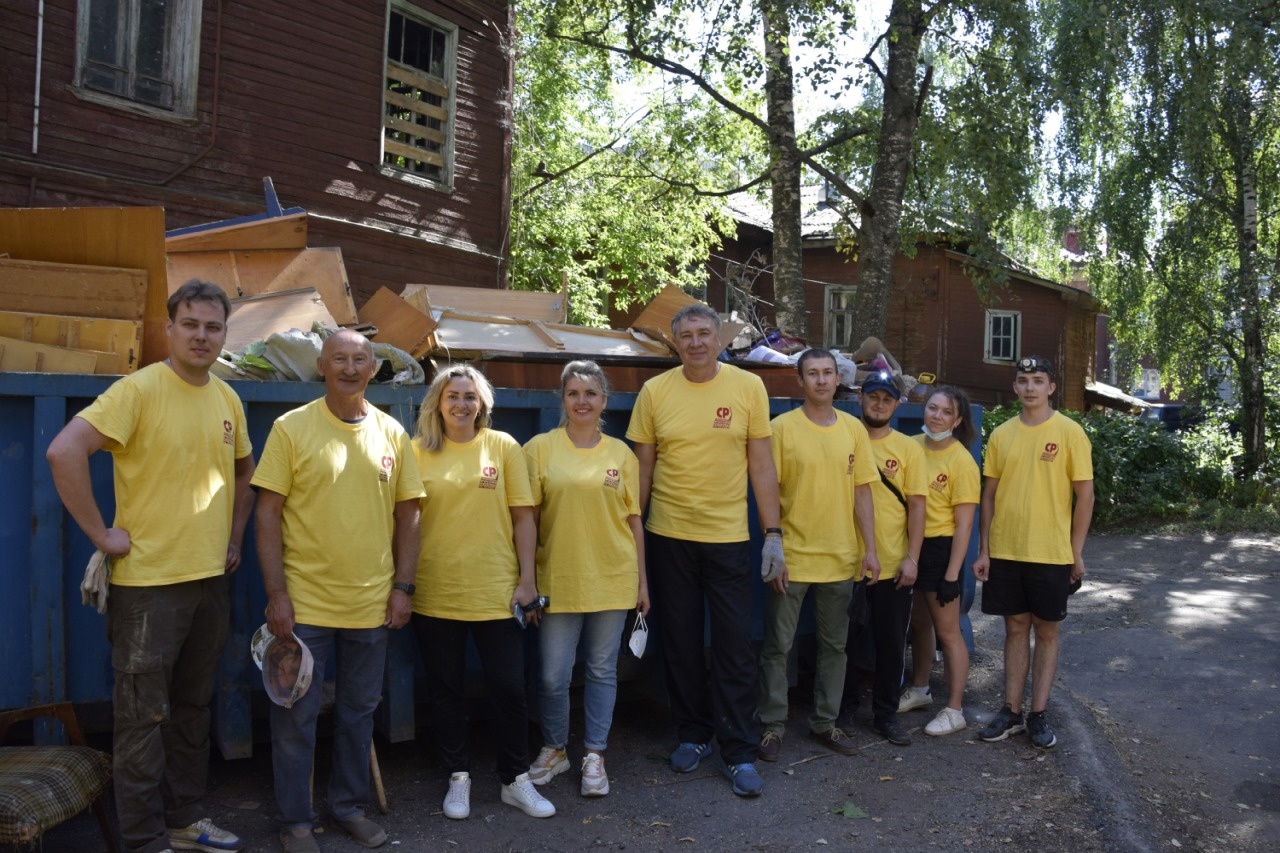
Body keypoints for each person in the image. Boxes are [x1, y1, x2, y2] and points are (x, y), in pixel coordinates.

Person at [46, 280, 254, 853]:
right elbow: (63, 452)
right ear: (170, 328)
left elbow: (243, 472)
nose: (202, 336)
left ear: (224, 335)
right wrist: (101, 534)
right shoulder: (137, 391)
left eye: (213, 327)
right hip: (148, 591)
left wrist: (233, 537)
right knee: (143, 721)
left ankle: (184, 821)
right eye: (191, 324)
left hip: (209, 580)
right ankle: (143, 841)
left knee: (193, 712)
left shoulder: (227, 399)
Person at [253, 329, 423, 853]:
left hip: (372, 604)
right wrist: (277, 595)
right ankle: (295, 822)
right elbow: (266, 514)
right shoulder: (292, 428)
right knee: (295, 716)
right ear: (321, 366)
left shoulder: (394, 433)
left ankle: (347, 807)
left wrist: (402, 588)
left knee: (358, 712)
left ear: (375, 369)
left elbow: (409, 514)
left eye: (360, 360)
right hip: (304, 606)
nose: (350, 368)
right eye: (339, 359)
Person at [625, 303, 784, 798]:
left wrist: (773, 533)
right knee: (682, 644)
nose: (695, 342)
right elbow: (642, 471)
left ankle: (738, 751)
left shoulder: (747, 387)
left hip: (729, 539)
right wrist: (632, 538)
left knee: (736, 647)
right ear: (675, 343)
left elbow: (761, 465)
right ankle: (693, 735)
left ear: (720, 339)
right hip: (670, 536)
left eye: (703, 333)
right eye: (686, 335)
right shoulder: (655, 392)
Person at [409, 365, 555, 820]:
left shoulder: (504, 447)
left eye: (470, 396)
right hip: (435, 591)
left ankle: (514, 779)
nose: (461, 404)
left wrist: (527, 581)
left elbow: (525, 518)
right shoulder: (416, 452)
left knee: (510, 689)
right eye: (452, 396)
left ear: (483, 404)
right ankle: (458, 777)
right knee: (446, 690)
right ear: (437, 402)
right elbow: (404, 522)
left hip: (497, 591)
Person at [523, 360, 649, 797]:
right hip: (557, 578)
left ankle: (595, 755)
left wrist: (642, 582)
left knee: (601, 670)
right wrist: (527, 580)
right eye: (574, 393)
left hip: (613, 577)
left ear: (604, 402)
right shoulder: (539, 448)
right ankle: (555, 749)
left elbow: (634, 522)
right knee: (554, 676)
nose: (582, 401)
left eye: (590, 394)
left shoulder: (621, 455)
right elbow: (527, 520)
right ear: (563, 400)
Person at [756, 349, 880, 762]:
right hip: (792, 557)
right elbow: (767, 491)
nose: (822, 380)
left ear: (838, 379)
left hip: (840, 558)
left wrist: (871, 550)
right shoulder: (781, 429)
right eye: (813, 374)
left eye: (828, 373)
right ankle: (772, 726)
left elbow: (863, 491)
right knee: (778, 646)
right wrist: (773, 545)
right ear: (801, 380)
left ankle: (825, 723)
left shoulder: (853, 429)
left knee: (834, 647)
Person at [973, 356, 1094, 749]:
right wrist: (985, 549)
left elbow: (1085, 495)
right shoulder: (1001, 435)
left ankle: (1038, 714)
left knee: (1046, 631)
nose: (1030, 387)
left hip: (1051, 553)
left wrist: (1076, 551)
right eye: (1023, 380)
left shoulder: (1070, 432)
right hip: (1007, 550)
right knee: (1013, 629)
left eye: (1038, 381)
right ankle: (1010, 711)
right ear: (1015, 387)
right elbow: (988, 496)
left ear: (1051, 388)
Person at [844, 370, 925, 747]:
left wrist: (912, 558)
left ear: (897, 404)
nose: (878, 404)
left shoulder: (909, 449)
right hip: (845, 563)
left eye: (887, 399)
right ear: (861, 397)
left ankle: (885, 716)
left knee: (891, 645)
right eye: (873, 396)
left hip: (893, 565)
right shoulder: (844, 436)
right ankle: (841, 713)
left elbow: (917, 508)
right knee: (840, 645)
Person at [897, 386, 981, 737]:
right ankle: (920, 689)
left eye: (946, 412)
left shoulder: (961, 460)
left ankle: (955, 709)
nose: (936, 416)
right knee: (919, 624)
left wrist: (951, 574)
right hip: (909, 547)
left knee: (948, 632)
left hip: (941, 550)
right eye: (932, 408)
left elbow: (964, 526)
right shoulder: (910, 446)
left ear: (958, 419)